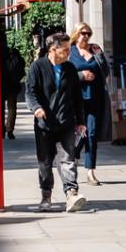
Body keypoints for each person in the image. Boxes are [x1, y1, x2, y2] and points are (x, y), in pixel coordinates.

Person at [25, 32, 88, 213]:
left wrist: (80, 121)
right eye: (66, 49)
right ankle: (46, 196)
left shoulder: (69, 68)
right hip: (45, 123)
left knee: (68, 158)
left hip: (66, 121)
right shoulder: (37, 67)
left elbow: (77, 97)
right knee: (45, 161)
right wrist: (36, 108)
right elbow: (30, 92)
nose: (69, 52)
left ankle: (71, 193)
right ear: (54, 49)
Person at [68, 25, 111, 184]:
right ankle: (75, 154)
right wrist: (81, 76)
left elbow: (105, 71)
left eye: (88, 33)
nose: (85, 36)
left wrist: (100, 57)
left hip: (95, 98)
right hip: (75, 100)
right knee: (78, 134)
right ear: (76, 34)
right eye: (82, 33)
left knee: (91, 134)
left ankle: (90, 172)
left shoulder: (95, 50)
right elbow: (62, 74)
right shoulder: (69, 52)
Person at [0, 33, 27, 140]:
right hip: (12, 84)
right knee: (12, 108)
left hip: (0, 84)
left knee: (0, 109)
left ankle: (1, 129)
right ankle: (10, 129)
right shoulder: (12, 52)